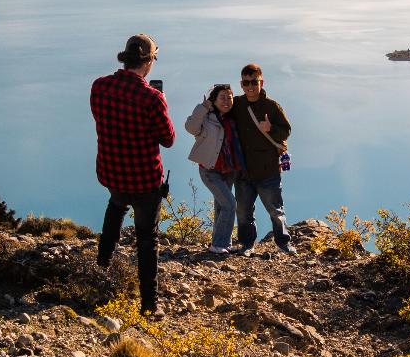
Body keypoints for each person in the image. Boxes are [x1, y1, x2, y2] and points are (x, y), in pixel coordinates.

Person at [90, 33, 175, 313]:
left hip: (112, 174)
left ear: (125, 58)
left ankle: (100, 273)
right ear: (149, 62)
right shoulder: (152, 99)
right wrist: (161, 101)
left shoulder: (99, 87)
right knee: (147, 240)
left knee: (115, 210)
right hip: (144, 180)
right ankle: (149, 304)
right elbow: (168, 138)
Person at [232, 62, 294, 254]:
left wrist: (271, 129)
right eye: (246, 82)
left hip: (268, 171)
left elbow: (286, 130)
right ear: (241, 84)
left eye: (254, 82)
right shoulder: (238, 104)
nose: (250, 86)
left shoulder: (272, 107)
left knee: (276, 211)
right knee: (243, 212)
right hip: (243, 171)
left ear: (261, 82)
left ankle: (284, 243)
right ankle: (247, 244)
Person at [185, 83, 243, 255]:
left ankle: (222, 243)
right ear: (214, 100)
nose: (226, 100)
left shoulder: (235, 118)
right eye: (222, 97)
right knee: (230, 204)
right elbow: (190, 128)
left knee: (221, 205)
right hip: (210, 170)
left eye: (229, 97)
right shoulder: (206, 117)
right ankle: (218, 245)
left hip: (229, 169)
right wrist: (203, 107)